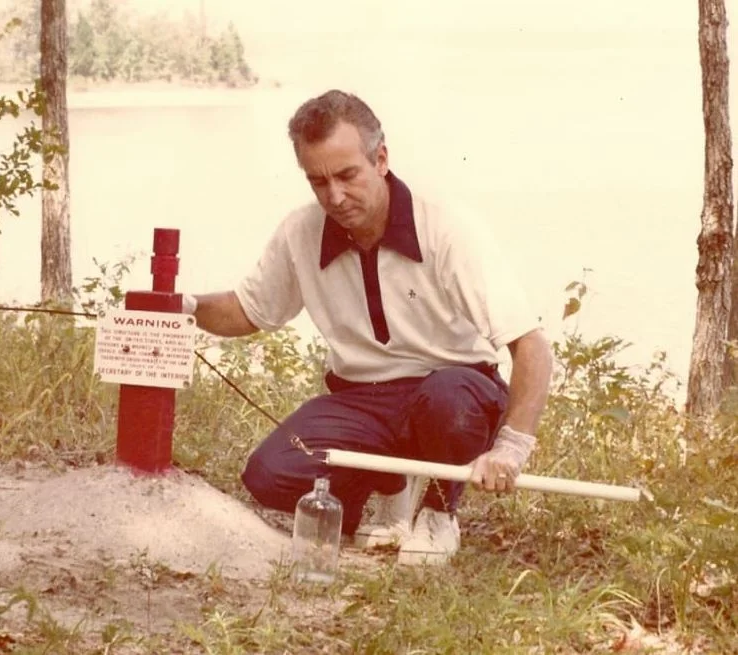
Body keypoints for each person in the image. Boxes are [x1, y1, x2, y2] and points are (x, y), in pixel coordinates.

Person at [183, 89, 553, 565]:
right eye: (318, 181)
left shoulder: (446, 226)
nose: (334, 197)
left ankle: (438, 513)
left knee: (449, 403)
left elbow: (531, 345)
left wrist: (512, 448)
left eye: (346, 175)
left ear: (381, 159)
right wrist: (185, 306)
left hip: (455, 391)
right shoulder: (300, 232)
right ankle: (385, 496)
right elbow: (246, 310)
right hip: (363, 402)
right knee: (270, 474)